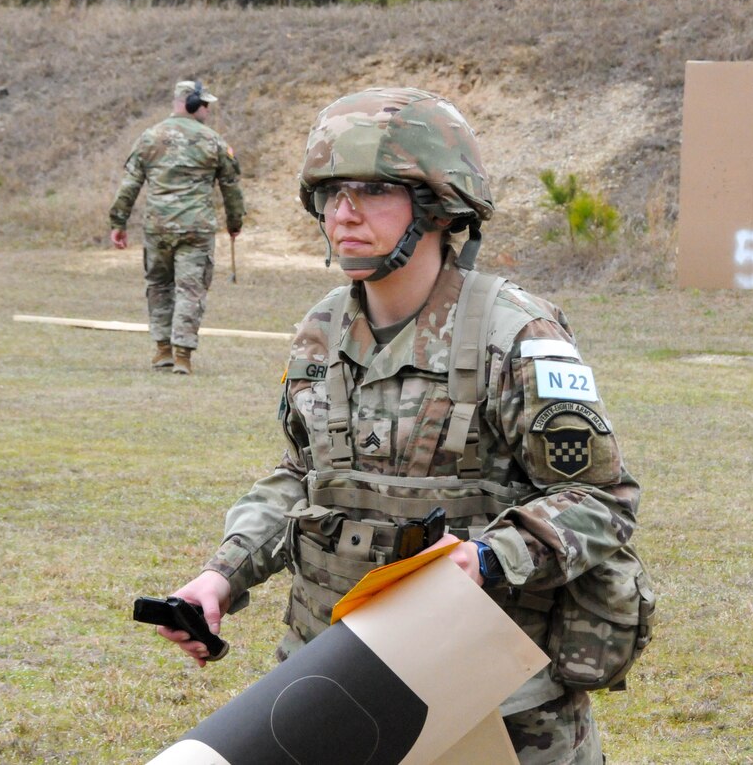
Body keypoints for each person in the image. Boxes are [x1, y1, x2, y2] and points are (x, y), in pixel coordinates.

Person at [161, 87, 653, 764]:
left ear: (436, 203)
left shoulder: (515, 334)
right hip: (336, 685)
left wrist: (484, 558)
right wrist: (220, 578)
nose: (344, 213)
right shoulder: (322, 329)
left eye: (373, 190)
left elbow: (602, 500)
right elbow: (305, 477)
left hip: (491, 700)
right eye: (330, 193)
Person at [109, 79, 244, 375]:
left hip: (158, 228)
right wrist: (235, 222)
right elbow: (231, 187)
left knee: (159, 286)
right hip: (197, 229)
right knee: (190, 290)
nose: (207, 110)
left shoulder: (149, 138)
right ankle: (182, 355)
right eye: (204, 104)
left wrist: (118, 223)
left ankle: (162, 351)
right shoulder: (213, 141)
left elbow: (129, 185)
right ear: (192, 103)